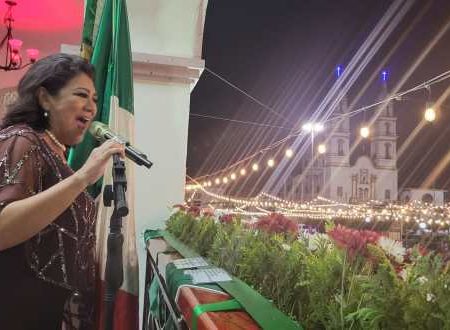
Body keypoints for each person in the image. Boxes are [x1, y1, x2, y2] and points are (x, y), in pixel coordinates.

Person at [0, 53, 125, 329]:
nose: (92, 107)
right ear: (45, 98)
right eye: (81, 95)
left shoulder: (55, 153)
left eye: (94, 98)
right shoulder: (22, 139)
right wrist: (83, 177)